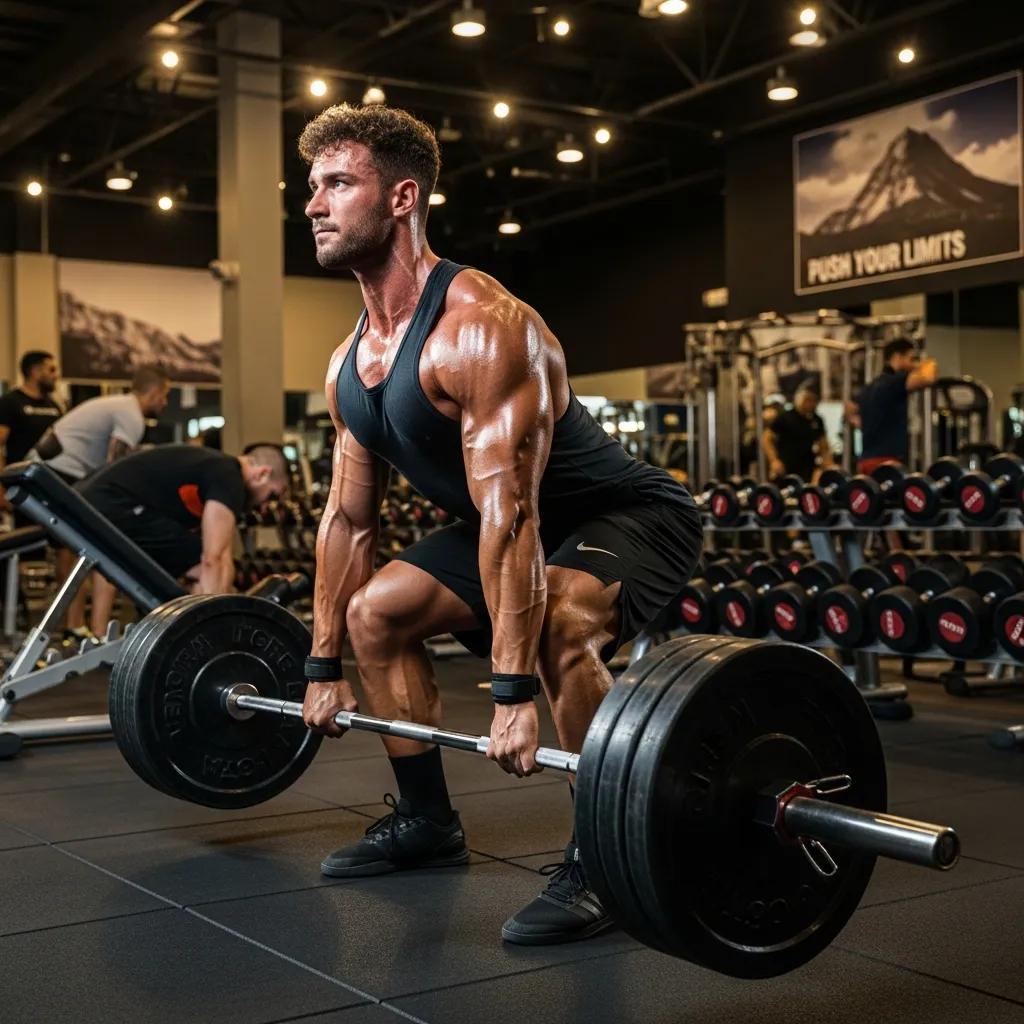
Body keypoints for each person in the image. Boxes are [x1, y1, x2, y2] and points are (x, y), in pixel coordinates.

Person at [296, 103, 703, 946]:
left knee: (557, 616)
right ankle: (426, 822)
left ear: (402, 197)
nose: (314, 204)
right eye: (312, 186)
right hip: (510, 522)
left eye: (337, 183)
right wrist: (322, 663)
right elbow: (347, 519)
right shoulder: (349, 363)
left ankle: (607, 858)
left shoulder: (482, 327)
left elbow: (512, 514)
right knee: (376, 614)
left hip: (624, 515)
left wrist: (512, 694)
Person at [74, 443, 289, 636]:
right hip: (112, 503)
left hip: (95, 500)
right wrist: (221, 632)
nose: (264, 507)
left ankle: (171, 636)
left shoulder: (217, 468)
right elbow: (213, 559)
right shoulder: (229, 478)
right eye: (272, 496)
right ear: (262, 474)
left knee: (190, 569)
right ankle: (206, 637)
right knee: (203, 568)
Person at [32, 364, 171, 482]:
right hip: (59, 470)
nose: (165, 403)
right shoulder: (132, 415)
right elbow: (115, 467)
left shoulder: (121, 404)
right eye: (164, 395)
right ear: (154, 392)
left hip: (45, 465)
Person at [848, 339, 937, 474]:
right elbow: (928, 377)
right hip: (887, 462)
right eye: (911, 359)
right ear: (897, 357)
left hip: (865, 461)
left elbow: (849, 407)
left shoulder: (870, 387)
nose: (913, 364)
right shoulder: (894, 382)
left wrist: (861, 423)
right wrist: (927, 362)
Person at [0, 351, 62, 514]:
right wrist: (1, 492)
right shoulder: (10, 402)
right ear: (35, 371)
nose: (56, 375)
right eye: (51, 370)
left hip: (49, 486)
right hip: (21, 485)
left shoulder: (54, 406)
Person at [761, 381, 834, 482]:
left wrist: (829, 466)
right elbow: (766, 438)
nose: (810, 404)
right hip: (785, 467)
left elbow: (823, 446)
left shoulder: (817, 420)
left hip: (807, 468)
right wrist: (774, 460)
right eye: (808, 400)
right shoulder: (785, 417)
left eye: (814, 400)